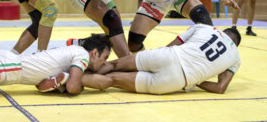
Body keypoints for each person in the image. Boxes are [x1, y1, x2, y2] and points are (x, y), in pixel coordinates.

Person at [82, 25, 241, 95]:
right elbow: (220, 88)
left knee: (114, 64)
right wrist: (196, 80)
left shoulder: (206, 28)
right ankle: (73, 80)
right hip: (176, 80)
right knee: (113, 80)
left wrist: (151, 62)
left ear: (222, 32)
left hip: (167, 56)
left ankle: (72, 71)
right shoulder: (235, 57)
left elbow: (173, 44)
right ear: (235, 45)